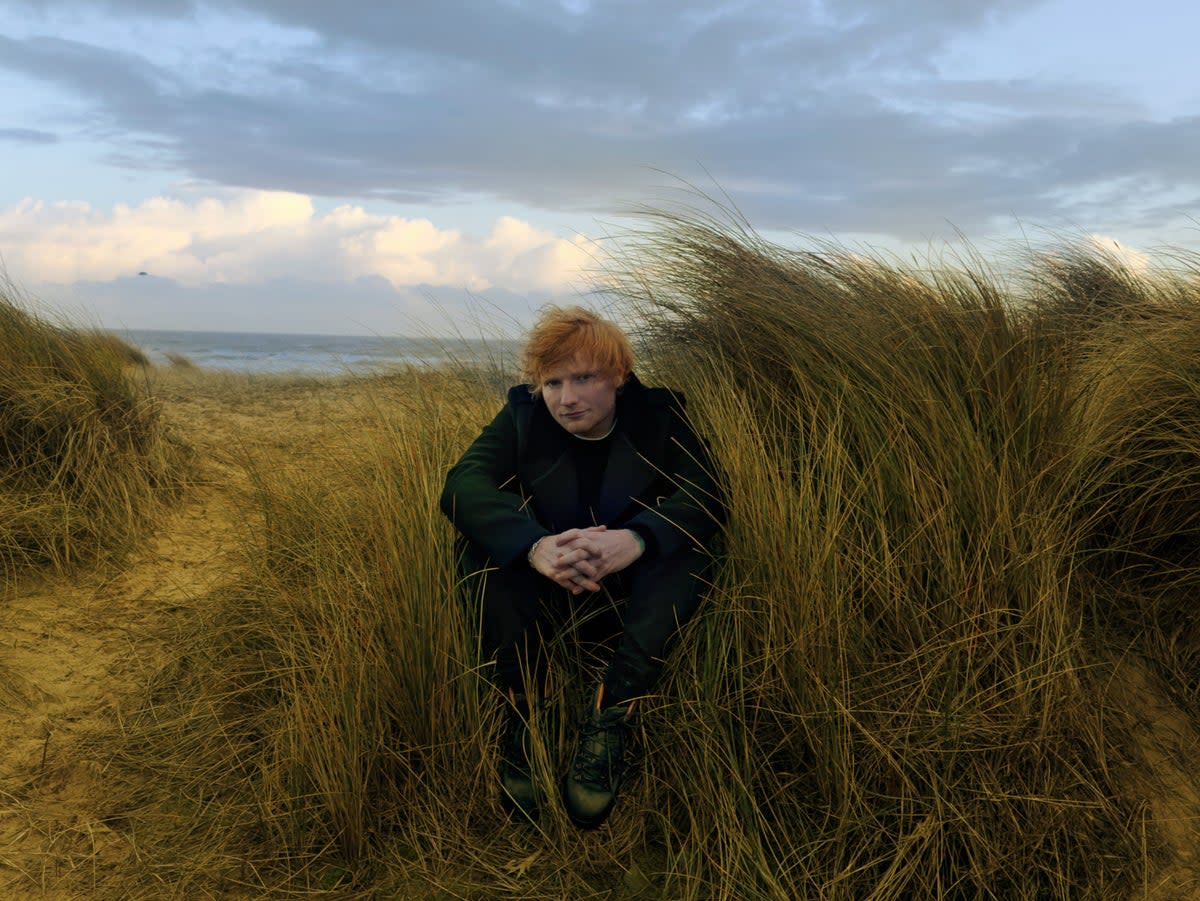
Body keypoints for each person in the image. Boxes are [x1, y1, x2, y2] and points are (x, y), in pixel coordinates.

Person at [440, 305, 724, 828]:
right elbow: (464, 484)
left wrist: (637, 539)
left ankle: (615, 707)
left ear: (618, 375)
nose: (566, 399)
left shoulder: (660, 415)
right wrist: (534, 547)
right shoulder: (523, 416)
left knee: (686, 548)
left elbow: (707, 493)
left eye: (584, 378)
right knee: (480, 546)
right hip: (550, 588)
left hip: (632, 595)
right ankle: (528, 702)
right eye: (552, 383)